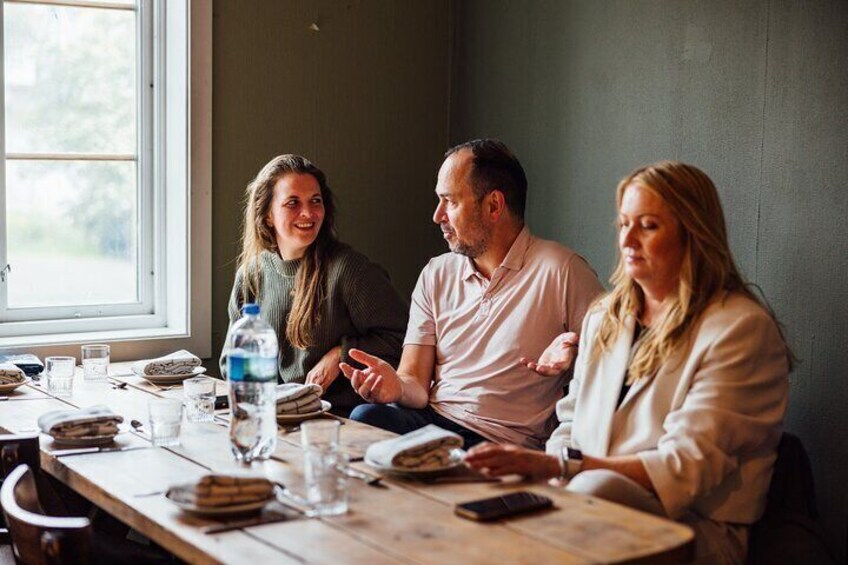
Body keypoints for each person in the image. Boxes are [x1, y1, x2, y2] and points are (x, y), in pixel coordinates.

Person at [464, 161, 791, 564]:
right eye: (623, 224)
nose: (629, 240)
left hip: (689, 532)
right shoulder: (607, 315)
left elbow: (684, 468)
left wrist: (562, 466)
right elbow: (568, 422)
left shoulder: (740, 330)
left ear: (693, 234)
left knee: (594, 489)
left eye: (649, 226)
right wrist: (548, 475)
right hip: (581, 503)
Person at [340, 139, 604, 448]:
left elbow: (615, 356)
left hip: (500, 440)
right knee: (366, 417)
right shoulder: (436, 273)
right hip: (433, 421)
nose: (438, 215)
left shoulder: (563, 270)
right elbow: (416, 384)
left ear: (493, 205)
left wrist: (575, 355)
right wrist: (395, 386)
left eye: (450, 201)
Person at [221, 154, 409, 417]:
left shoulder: (348, 270)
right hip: (272, 418)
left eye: (315, 201)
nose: (308, 213)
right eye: (292, 203)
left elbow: (405, 340)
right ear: (267, 216)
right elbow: (231, 361)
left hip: (340, 420)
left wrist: (341, 355)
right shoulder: (251, 275)